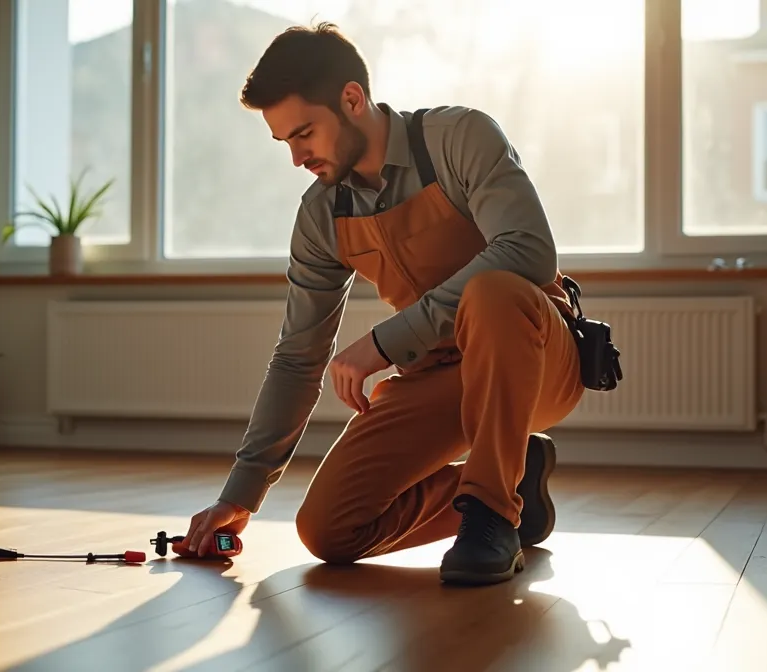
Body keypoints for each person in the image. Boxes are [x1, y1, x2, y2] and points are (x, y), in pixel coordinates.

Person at [182, 22, 585, 586]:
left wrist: (383, 342)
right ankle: (518, 484)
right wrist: (242, 493)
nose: (297, 157)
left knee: (493, 292)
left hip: (536, 356)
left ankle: (494, 510)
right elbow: (298, 358)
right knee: (328, 530)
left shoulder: (458, 136)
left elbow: (528, 252)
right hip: (441, 376)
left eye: (305, 134)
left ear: (352, 99)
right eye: (285, 142)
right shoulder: (321, 216)